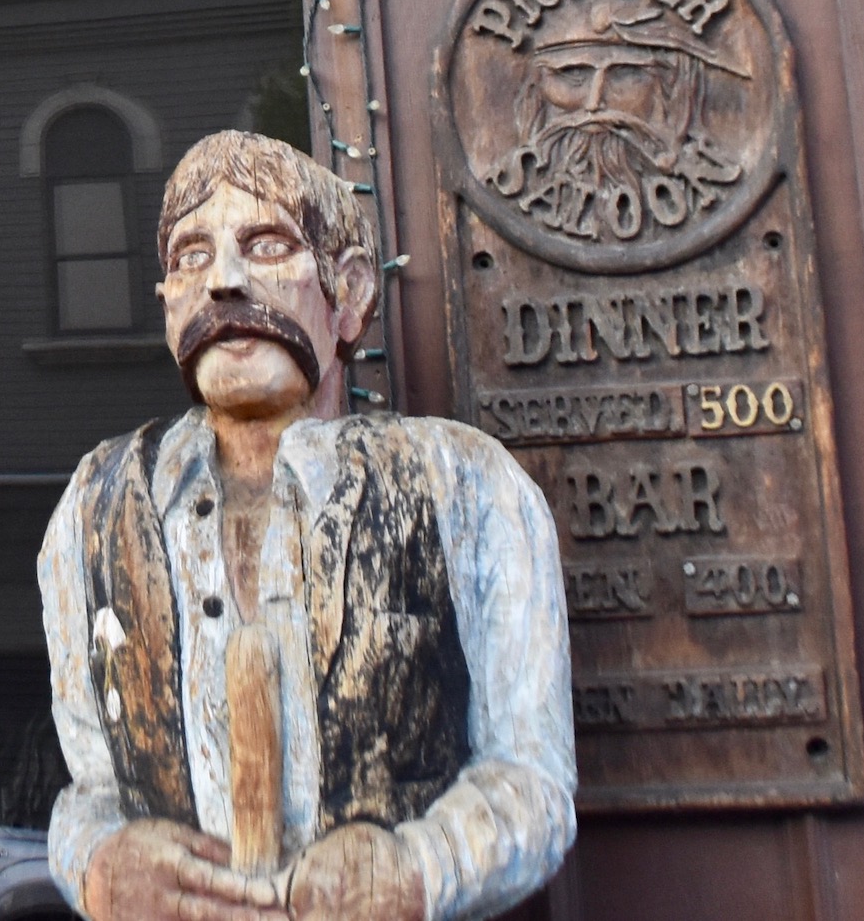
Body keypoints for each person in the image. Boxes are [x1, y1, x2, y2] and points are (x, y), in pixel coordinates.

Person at [38, 132, 571, 921]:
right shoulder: (95, 503)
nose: (223, 281)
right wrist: (99, 864)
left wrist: (414, 868)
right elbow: (91, 787)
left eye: (265, 245)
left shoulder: (464, 483)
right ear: (167, 303)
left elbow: (533, 775)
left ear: (348, 292)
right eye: (190, 255)